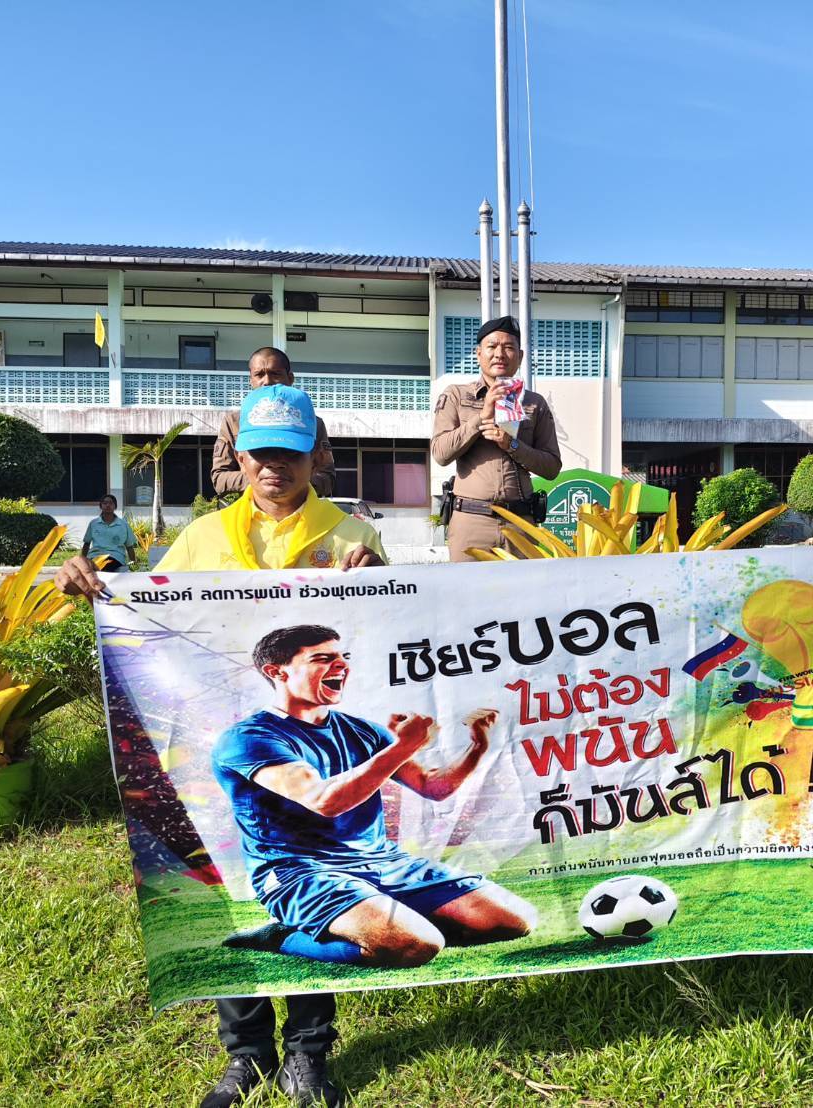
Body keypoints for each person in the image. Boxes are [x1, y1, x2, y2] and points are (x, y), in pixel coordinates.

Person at [56, 384, 388, 1108]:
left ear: (317, 457)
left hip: (306, 758)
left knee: (310, 885)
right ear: (239, 458)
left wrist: (379, 583)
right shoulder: (202, 539)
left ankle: (308, 1052)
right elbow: (142, 608)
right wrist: (90, 583)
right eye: (260, 453)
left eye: (290, 454)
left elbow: (394, 634)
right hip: (213, 751)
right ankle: (246, 1054)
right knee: (229, 891)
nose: (274, 468)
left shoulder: (350, 539)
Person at [215, 624, 536, 972]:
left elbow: (433, 787)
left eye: (343, 656)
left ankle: (383, 919)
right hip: (299, 869)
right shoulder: (249, 738)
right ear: (277, 672)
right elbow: (324, 801)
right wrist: (403, 747)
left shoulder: (363, 730)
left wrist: (478, 747)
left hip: (382, 861)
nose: (341, 665)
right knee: (414, 946)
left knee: (514, 921)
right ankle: (281, 936)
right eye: (322, 658)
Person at [431, 316, 561, 562]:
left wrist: (512, 444)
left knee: (524, 588)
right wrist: (482, 416)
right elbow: (440, 453)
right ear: (478, 354)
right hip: (472, 521)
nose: (500, 354)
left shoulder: (535, 403)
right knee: (467, 587)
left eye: (509, 347)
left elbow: (552, 467)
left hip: (520, 523)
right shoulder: (456, 396)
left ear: (520, 356)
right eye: (492, 346)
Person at [213, 347, 335, 499]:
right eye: (259, 375)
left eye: (275, 374)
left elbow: (327, 475)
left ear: (290, 378)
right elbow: (219, 477)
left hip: (301, 508)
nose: (267, 381)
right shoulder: (233, 422)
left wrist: (294, 482)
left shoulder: (311, 423)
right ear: (251, 380)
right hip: (249, 507)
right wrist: (263, 481)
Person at [79, 494, 136, 571]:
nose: (108, 505)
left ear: (115, 506)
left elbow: (129, 546)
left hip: (115, 557)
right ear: (101, 506)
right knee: (94, 566)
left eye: (111, 503)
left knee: (105, 565)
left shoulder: (123, 525)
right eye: (105, 503)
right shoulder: (93, 523)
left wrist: (133, 562)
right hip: (95, 556)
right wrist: (82, 561)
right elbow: (86, 544)